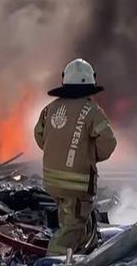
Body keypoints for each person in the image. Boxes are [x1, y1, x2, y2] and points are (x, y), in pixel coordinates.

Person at [34, 58, 117, 256]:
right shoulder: (92, 111)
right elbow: (108, 142)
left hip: (53, 183)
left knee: (72, 221)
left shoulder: (50, 109)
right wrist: (89, 156)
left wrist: (58, 152)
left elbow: (39, 136)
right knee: (70, 230)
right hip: (77, 186)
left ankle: (78, 258)